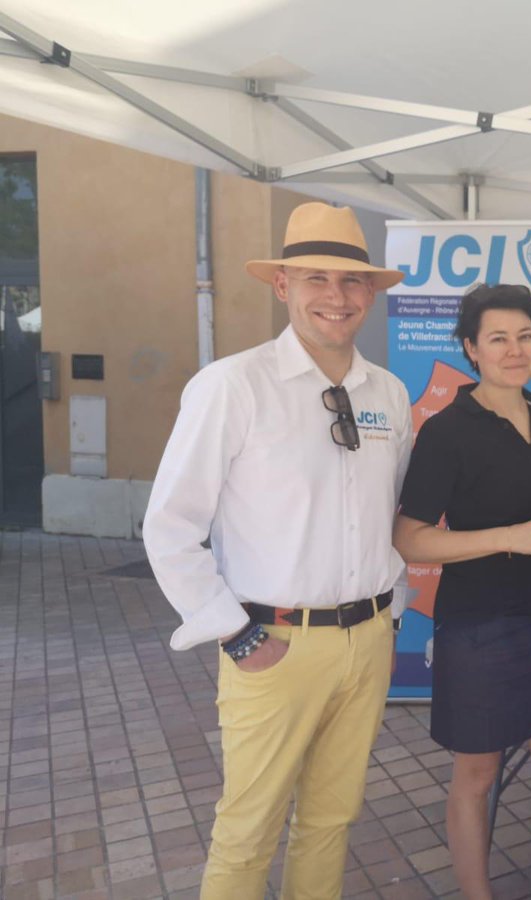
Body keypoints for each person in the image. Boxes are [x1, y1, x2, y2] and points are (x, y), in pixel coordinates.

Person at [143, 202, 413, 899]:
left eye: (353, 281)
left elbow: (391, 516)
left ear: (372, 294)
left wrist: (395, 613)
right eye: (316, 277)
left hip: (369, 639)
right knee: (248, 830)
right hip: (276, 643)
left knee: (330, 821)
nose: (336, 296)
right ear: (282, 286)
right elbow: (169, 525)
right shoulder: (233, 385)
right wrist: (236, 635)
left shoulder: (387, 391)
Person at [392, 284, 531, 900]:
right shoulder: (448, 430)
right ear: (471, 349)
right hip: (478, 624)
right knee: (477, 776)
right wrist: (510, 536)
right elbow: (410, 539)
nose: (515, 349)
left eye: (525, 336)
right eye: (499, 339)